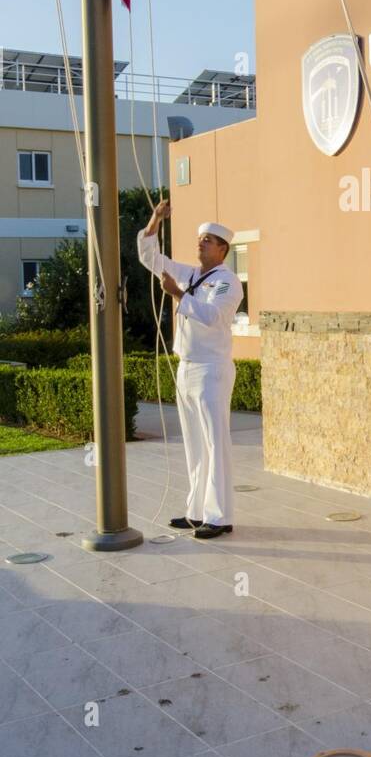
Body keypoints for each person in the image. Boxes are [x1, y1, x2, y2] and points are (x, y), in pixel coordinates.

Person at [137, 202, 244, 539]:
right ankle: (197, 512)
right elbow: (150, 259)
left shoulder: (227, 282)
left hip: (212, 369)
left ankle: (220, 515)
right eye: (200, 238)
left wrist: (179, 296)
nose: (201, 243)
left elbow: (213, 316)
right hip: (187, 367)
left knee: (215, 443)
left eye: (209, 240)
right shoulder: (192, 274)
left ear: (223, 249)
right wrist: (155, 218)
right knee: (195, 444)